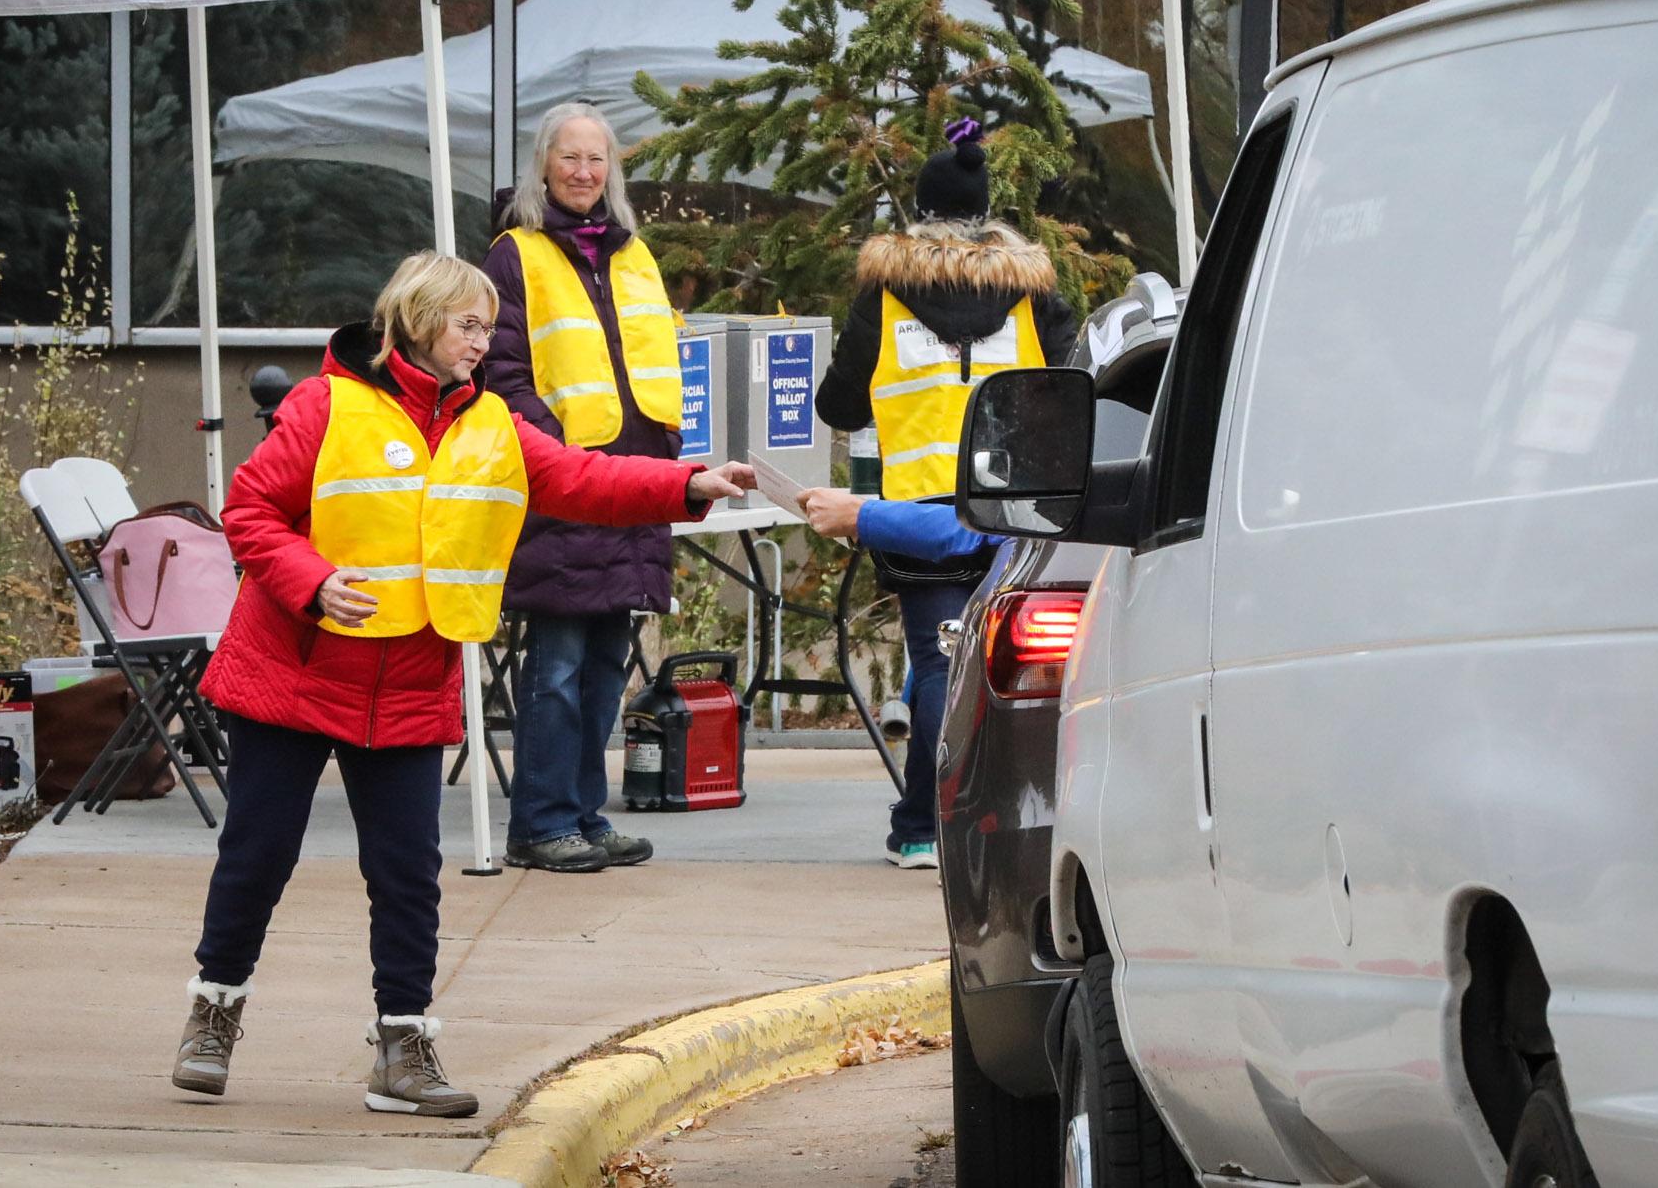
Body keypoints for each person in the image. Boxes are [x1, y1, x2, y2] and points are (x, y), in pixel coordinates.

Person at [175, 252, 753, 1115]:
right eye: (468, 325)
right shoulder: (324, 404)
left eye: (490, 327)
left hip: (410, 675)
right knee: (258, 854)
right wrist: (311, 578)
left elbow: (582, 478)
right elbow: (250, 510)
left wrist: (686, 483)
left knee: (408, 872)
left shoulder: (495, 426)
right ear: (416, 320)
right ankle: (213, 1011)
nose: (484, 343)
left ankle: (403, 1049)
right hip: (293, 669)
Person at [813, 119, 1076, 869]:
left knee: (937, 665)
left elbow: (840, 405)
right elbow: (1071, 383)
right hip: (1015, 505)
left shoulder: (887, 291)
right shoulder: (1034, 293)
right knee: (1014, 662)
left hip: (916, 507)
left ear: (921, 210)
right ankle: (997, 814)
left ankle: (922, 826)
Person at [481, 102, 688, 875]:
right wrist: (556, 451)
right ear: (543, 164)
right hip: (564, 488)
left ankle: (585, 815)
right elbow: (500, 377)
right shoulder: (515, 255)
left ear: (613, 169)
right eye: (569, 158)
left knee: (605, 664)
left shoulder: (635, 255)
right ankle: (540, 822)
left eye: (596, 159)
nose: (582, 172)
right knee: (558, 665)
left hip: (635, 489)